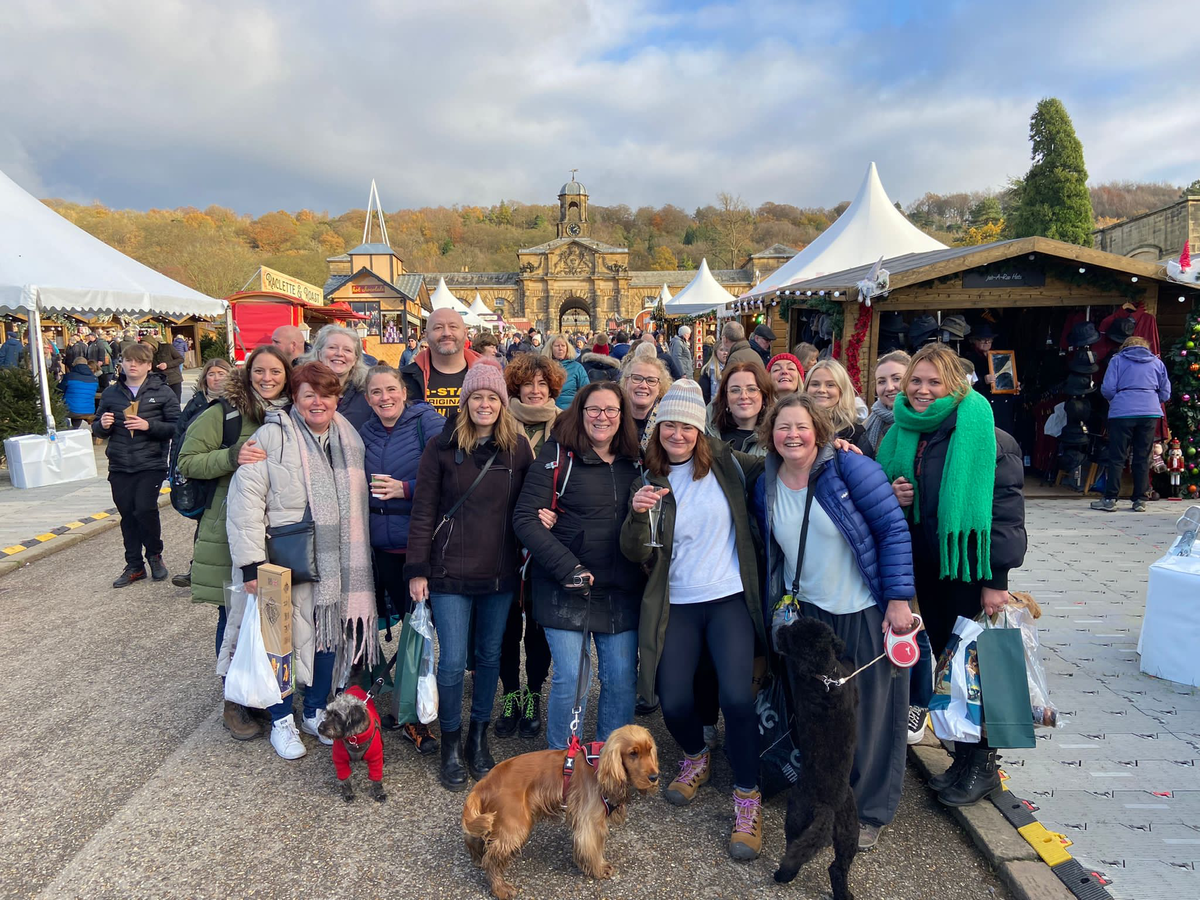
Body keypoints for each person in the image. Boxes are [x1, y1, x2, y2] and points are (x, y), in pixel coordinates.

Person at [751, 392, 915, 850]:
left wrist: (899, 599)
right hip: (811, 616)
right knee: (824, 716)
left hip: (862, 609)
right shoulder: (765, 481)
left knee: (873, 716)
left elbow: (891, 529)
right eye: (783, 427)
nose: (793, 435)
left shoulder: (851, 469)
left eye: (802, 426)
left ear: (820, 431)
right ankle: (826, 799)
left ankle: (869, 811)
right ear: (770, 434)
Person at [620, 379, 768, 860]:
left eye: (687, 425)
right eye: (669, 425)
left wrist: (836, 449)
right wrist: (637, 515)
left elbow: (780, 464)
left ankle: (747, 797)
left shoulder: (726, 463)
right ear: (657, 429)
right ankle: (696, 756)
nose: (677, 434)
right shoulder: (650, 479)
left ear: (700, 430)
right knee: (674, 698)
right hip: (678, 602)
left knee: (737, 699)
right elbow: (633, 550)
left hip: (728, 599)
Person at [878, 343, 1026, 807]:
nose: (922, 390)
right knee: (951, 666)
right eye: (915, 382)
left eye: (933, 382)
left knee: (982, 665)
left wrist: (996, 580)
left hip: (970, 567)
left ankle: (984, 765)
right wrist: (894, 494)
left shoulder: (985, 434)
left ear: (954, 385)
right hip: (928, 567)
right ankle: (964, 757)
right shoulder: (901, 431)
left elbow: (1005, 511)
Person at [227, 362, 376, 761]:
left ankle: (313, 711)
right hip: (282, 561)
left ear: (336, 398)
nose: (318, 402)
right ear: (295, 397)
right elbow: (245, 502)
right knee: (280, 642)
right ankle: (280, 719)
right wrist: (250, 563)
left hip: (334, 562)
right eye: (308, 394)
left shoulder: (348, 436)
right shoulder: (271, 437)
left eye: (325, 394)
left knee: (327, 634)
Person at [406, 359, 534, 789]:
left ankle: (479, 738)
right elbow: (423, 509)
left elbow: (529, 507)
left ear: (503, 403)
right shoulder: (440, 448)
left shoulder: (518, 449)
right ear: (464, 402)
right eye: (477, 396)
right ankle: (450, 743)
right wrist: (417, 569)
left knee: (489, 658)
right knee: (453, 660)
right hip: (449, 573)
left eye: (492, 397)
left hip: (498, 572)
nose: (484, 404)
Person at [513, 381, 646, 752]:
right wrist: (567, 567)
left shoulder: (636, 460)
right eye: (594, 410)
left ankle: (607, 761)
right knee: (573, 679)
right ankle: (562, 763)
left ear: (622, 416)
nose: (602, 418)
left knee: (621, 680)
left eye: (611, 411)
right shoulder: (557, 455)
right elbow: (525, 519)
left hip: (619, 588)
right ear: (580, 412)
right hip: (564, 585)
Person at [179, 349, 288, 740]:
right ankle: (233, 699)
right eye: (259, 370)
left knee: (270, 615)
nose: (267, 377)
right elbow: (187, 461)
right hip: (228, 532)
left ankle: (261, 692)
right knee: (234, 614)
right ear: (247, 374)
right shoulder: (224, 414)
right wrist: (231, 456)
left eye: (276, 371)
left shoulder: (290, 412)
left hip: (275, 531)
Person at [359, 364, 445, 755]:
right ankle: (411, 712)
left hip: (424, 547)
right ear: (367, 399)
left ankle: (421, 713)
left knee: (428, 632)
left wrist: (405, 488)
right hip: (384, 550)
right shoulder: (363, 433)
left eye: (390, 389)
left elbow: (449, 472)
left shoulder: (425, 423)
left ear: (403, 391)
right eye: (375, 393)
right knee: (411, 633)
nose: (384, 398)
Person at [494, 354, 564, 739]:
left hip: (547, 539)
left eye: (542, 385)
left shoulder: (566, 426)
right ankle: (510, 695)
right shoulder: (501, 423)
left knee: (539, 627)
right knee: (506, 628)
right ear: (516, 388)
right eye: (527, 384)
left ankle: (534, 693)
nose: (535, 391)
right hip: (504, 538)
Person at [93, 342, 180, 587]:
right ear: (121, 363)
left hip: (150, 462)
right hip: (120, 463)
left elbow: (177, 426)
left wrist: (148, 426)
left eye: (139, 362)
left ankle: (154, 555)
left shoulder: (162, 391)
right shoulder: (112, 393)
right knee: (127, 514)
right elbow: (98, 425)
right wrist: (103, 425)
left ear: (148, 366)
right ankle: (134, 565)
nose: (132, 365)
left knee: (144, 509)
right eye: (128, 361)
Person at [170, 356, 234, 588]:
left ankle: (201, 568)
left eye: (221, 373)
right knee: (205, 522)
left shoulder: (235, 404)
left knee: (213, 521)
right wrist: (174, 469)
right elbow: (179, 437)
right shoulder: (195, 403)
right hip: (198, 472)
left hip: (222, 470)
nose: (216, 378)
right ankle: (198, 567)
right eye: (211, 374)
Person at [1091, 335, 1172, 513]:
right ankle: (1140, 500)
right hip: (1149, 413)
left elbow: (1108, 388)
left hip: (1122, 412)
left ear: (1125, 347)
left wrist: (1119, 400)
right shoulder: (1156, 363)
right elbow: (1165, 392)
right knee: (1143, 457)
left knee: (1117, 456)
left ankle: (1111, 498)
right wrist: (1151, 400)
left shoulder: (1117, 360)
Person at [401, 308, 481, 418]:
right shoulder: (404, 379)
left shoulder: (488, 376)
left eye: (453, 327)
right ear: (427, 335)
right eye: (438, 328)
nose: (446, 333)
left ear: (464, 333)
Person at [309, 324, 372, 431]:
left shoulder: (368, 395)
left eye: (347, 350)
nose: (339, 354)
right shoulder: (301, 390)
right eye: (332, 347)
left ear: (355, 360)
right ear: (319, 354)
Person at [806, 358, 871, 456]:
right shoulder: (793, 426)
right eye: (815, 384)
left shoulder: (855, 433)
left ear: (842, 391)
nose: (821, 390)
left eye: (830, 385)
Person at [708, 361, 774, 455]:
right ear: (726, 398)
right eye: (735, 390)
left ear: (764, 396)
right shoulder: (706, 434)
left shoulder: (775, 439)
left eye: (752, 389)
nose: (743, 396)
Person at [620, 349, 672, 448]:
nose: (643, 385)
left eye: (651, 381)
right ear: (626, 382)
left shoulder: (669, 422)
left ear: (660, 387)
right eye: (637, 378)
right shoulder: (612, 418)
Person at [864, 350, 911, 454]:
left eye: (896, 379)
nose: (889, 387)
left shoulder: (923, 420)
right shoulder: (869, 423)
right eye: (881, 381)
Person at [542, 333, 588, 410]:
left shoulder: (577, 367)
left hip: (571, 412)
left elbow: (586, 391)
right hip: (549, 411)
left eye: (563, 346)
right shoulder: (544, 367)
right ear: (551, 348)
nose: (560, 348)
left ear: (567, 348)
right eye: (557, 346)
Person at [141, 334, 185, 401]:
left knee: (176, 402)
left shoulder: (168, 347)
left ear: (152, 343)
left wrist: (167, 365)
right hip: (160, 382)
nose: (145, 348)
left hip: (174, 379)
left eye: (146, 345)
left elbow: (180, 359)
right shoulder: (148, 353)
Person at [58, 356, 100, 422]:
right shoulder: (95, 379)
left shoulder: (69, 376)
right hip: (89, 410)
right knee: (77, 408)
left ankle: (68, 428)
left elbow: (59, 391)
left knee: (63, 410)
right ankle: (75, 428)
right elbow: (96, 389)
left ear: (74, 365)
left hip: (71, 410)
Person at [698, 339, 729, 405]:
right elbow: (704, 394)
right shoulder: (708, 370)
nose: (725, 353)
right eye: (721, 350)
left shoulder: (732, 368)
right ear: (716, 352)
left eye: (727, 350)